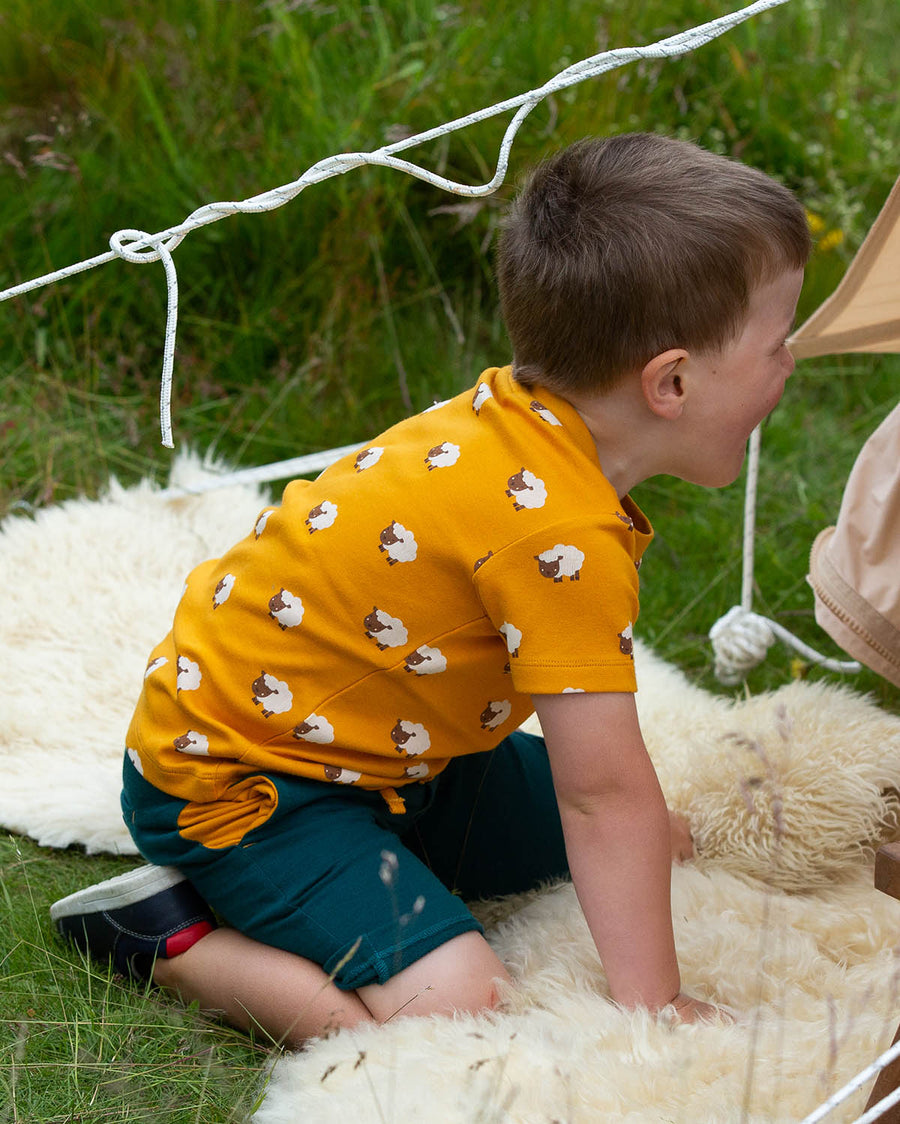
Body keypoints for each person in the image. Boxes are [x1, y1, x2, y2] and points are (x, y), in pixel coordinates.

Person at [51, 132, 810, 1044]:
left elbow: (616, 803)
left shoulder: (527, 418)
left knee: (663, 840)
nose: (792, 364)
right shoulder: (558, 534)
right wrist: (656, 1005)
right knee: (455, 1008)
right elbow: (600, 794)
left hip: (405, 764)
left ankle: (381, 861)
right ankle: (169, 937)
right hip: (246, 788)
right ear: (673, 381)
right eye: (778, 344)